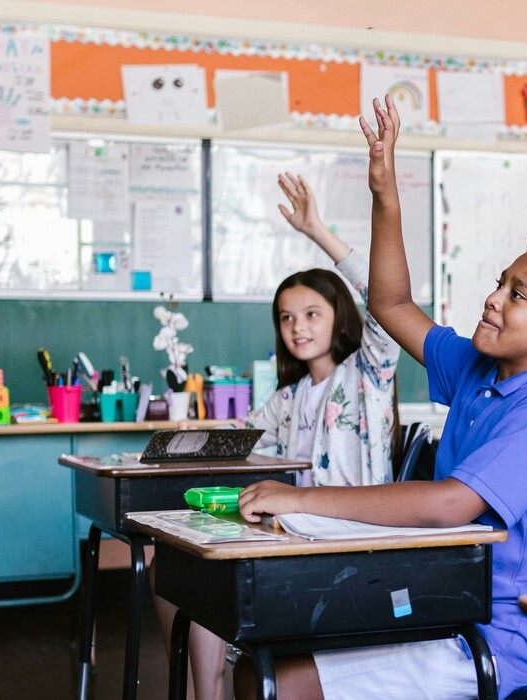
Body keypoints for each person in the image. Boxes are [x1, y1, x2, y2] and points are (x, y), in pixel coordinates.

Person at [234, 94, 527, 700]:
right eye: (500, 282)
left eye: (517, 295)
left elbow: (449, 505)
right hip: (439, 597)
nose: (493, 298)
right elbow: (391, 305)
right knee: (261, 651)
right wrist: (385, 193)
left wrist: (302, 496)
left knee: (277, 683)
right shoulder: (477, 364)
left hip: (497, 637)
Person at [152, 172, 401, 700]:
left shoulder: (367, 376)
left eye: (312, 313)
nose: (298, 326)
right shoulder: (289, 398)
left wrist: (316, 230)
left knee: (207, 569)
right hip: (294, 528)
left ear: (339, 319)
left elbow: (384, 301)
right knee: (174, 560)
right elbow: (235, 435)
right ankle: (205, 691)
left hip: (347, 535)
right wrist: (171, 443)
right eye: (287, 317)